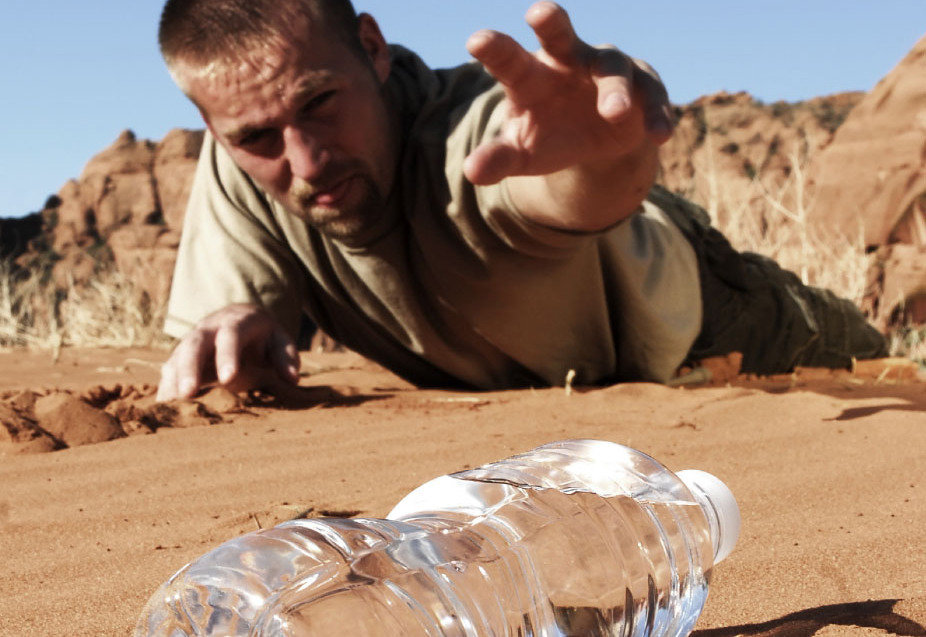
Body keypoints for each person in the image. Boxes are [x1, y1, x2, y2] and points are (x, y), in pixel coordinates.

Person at [154, 0, 886, 401]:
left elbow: (563, 186)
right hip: (542, 400)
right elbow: (224, 355)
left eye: (319, 101)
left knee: (880, 364)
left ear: (373, 48)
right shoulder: (238, 167)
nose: (304, 160)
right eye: (256, 136)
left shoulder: (472, 134)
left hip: (706, 322)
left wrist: (613, 151)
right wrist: (232, 317)